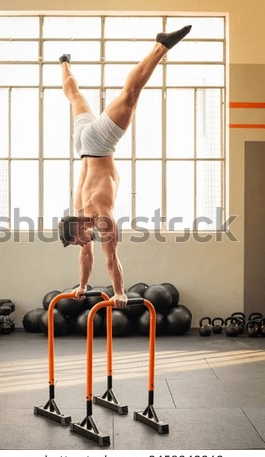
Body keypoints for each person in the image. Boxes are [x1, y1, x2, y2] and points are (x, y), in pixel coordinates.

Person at [58, 25, 192, 308]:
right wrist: (82, 286)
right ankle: (64, 61)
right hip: (82, 147)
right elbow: (87, 256)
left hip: (96, 144)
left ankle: (160, 46)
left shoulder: (99, 215)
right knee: (74, 97)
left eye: (80, 239)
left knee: (131, 93)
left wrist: (119, 292)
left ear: (80, 229)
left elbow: (110, 259)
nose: (83, 244)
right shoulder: (80, 214)